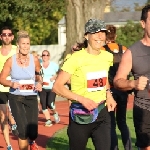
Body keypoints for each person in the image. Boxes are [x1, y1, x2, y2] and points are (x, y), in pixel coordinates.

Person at [52, 19, 117, 150]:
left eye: (103, 32)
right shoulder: (75, 59)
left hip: (102, 112)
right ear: (86, 36)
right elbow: (57, 86)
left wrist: (109, 95)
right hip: (81, 115)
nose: (100, 36)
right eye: (95, 32)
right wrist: (82, 99)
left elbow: (104, 80)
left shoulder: (107, 57)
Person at [113, 4, 150, 150]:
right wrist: (133, 84)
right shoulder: (132, 52)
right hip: (145, 109)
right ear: (143, 23)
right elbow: (117, 81)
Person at [0, 30, 42, 150]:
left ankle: (32, 141)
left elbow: (39, 74)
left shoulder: (34, 60)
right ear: (18, 45)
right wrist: (11, 83)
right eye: (23, 44)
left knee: (33, 132)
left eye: (28, 44)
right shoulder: (10, 61)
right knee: (22, 130)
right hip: (16, 98)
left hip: (32, 97)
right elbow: (1, 79)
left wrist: (39, 82)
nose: (25, 46)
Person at [102, 25, 132, 150]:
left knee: (111, 124)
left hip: (110, 90)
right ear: (115, 36)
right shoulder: (124, 49)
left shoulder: (102, 51)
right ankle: (128, 148)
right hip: (123, 90)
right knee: (122, 122)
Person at [0, 26, 18, 150]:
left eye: (9, 34)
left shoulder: (17, 50)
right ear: (1, 37)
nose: (6, 36)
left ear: (12, 36)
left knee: (14, 115)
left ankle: (15, 124)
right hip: (1, 88)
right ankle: (9, 145)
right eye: (4, 34)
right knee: (2, 116)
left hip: (15, 88)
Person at [38, 50, 60, 127]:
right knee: (43, 104)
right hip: (43, 87)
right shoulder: (39, 65)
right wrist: (40, 81)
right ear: (42, 56)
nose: (45, 57)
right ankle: (48, 120)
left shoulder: (54, 65)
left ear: (49, 56)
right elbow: (38, 75)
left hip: (52, 87)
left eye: (47, 55)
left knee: (50, 104)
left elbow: (60, 73)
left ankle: (55, 113)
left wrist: (55, 76)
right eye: (43, 55)